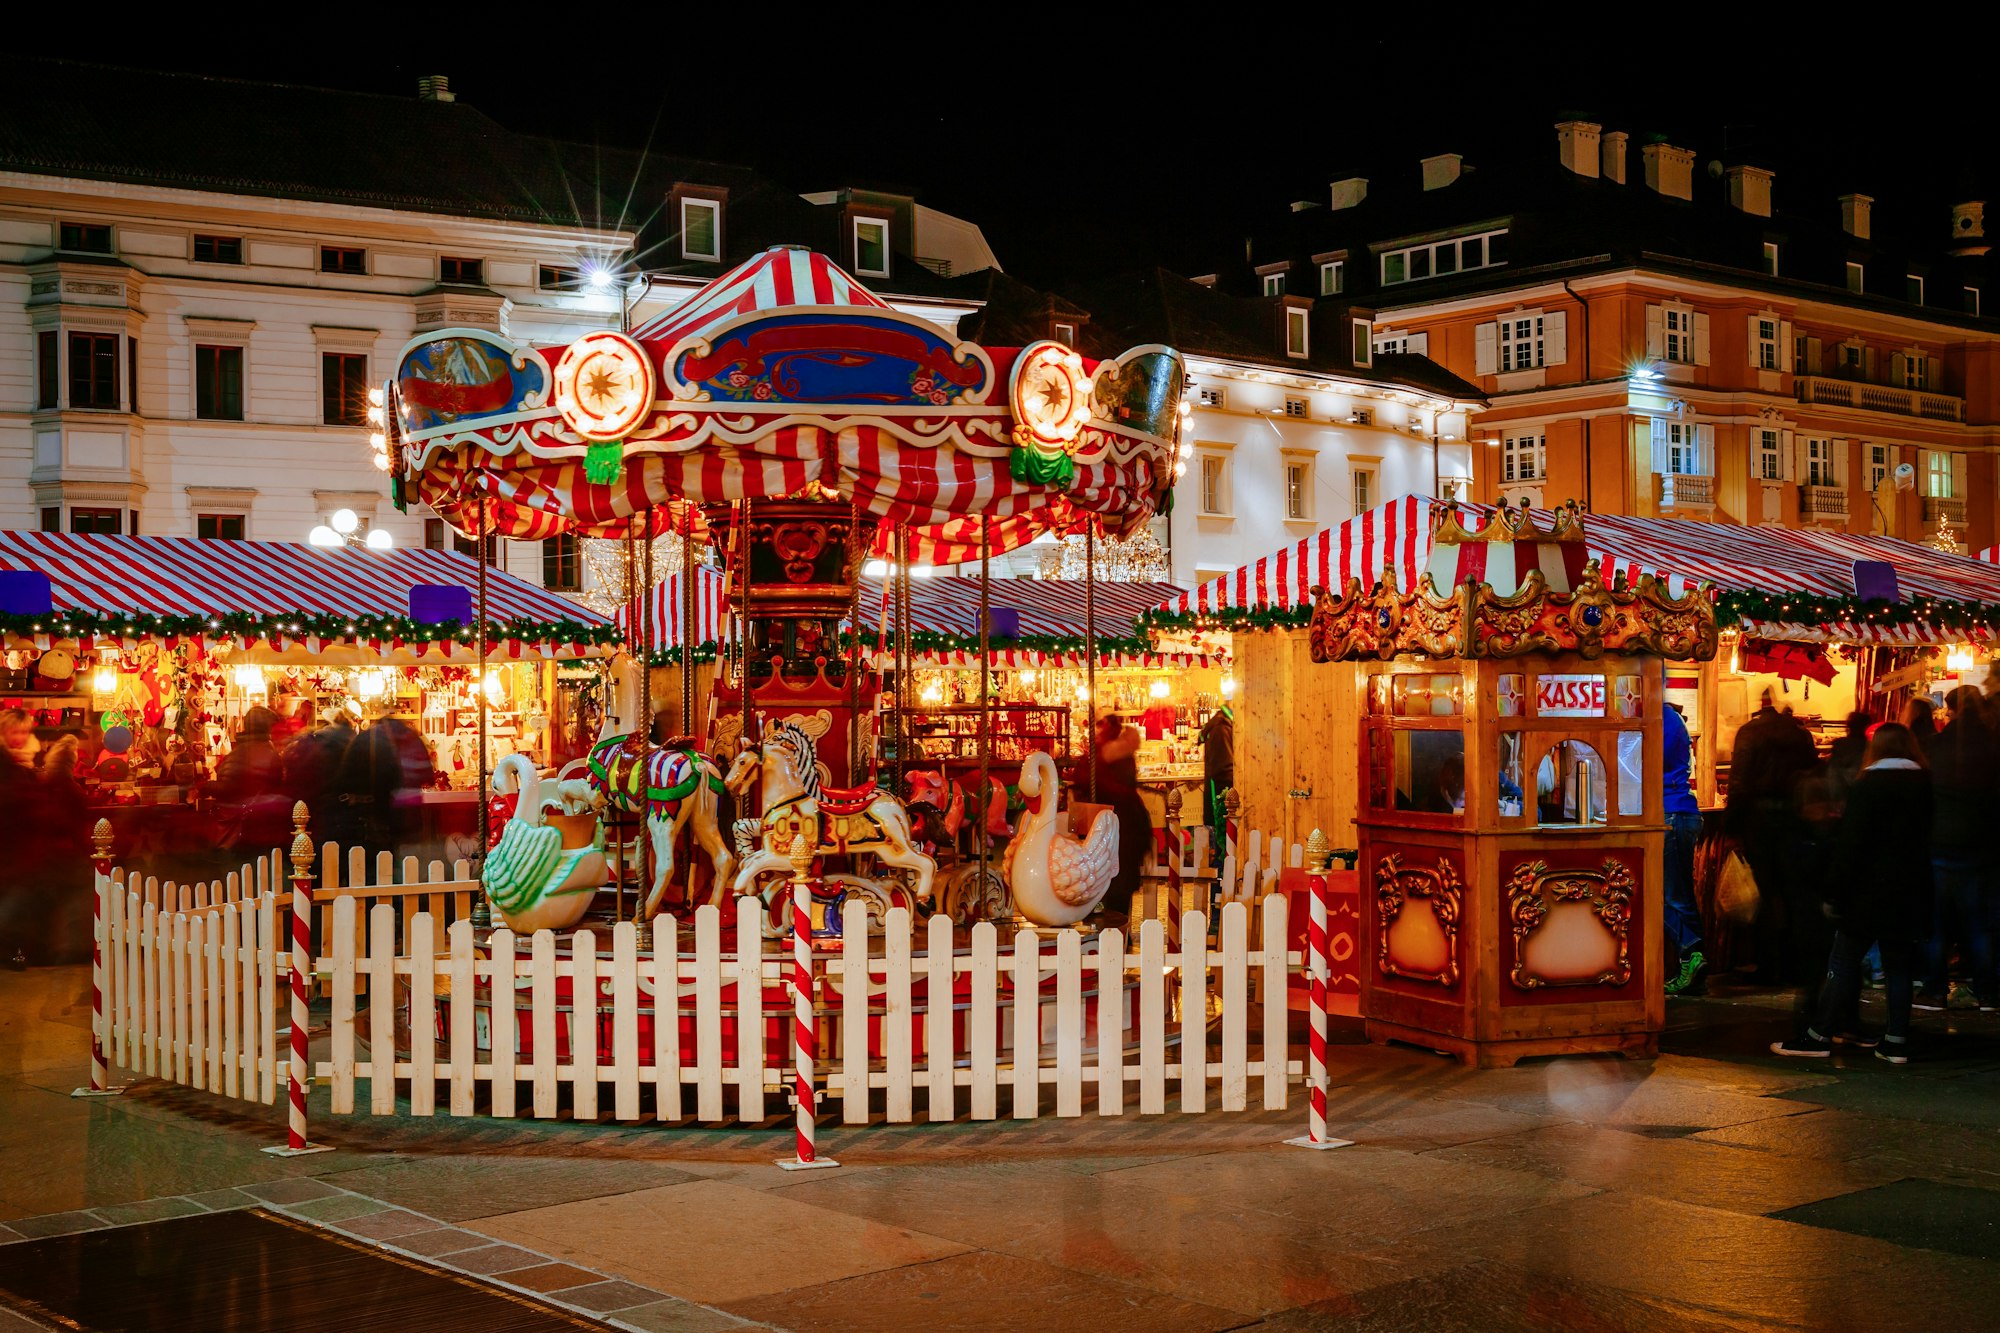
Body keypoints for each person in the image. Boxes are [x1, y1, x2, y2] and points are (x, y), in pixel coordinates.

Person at [1773, 723, 1931, 1062]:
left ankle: (1818, 1035)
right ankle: (1896, 1040)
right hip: (1908, 891)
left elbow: (1853, 846)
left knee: (1842, 961)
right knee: (1898, 967)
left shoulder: (1868, 785)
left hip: (1868, 892)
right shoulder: (1924, 783)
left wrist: (1834, 892)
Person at [1726, 688, 1818, 984]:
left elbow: (1738, 781)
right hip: (1795, 818)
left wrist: (1732, 826)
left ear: (1759, 707)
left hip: (1760, 819)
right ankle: (1797, 964)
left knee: (1766, 893)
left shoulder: (1749, 733)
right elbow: (1813, 771)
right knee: (1795, 893)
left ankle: (1768, 964)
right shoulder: (1799, 733)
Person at [1918, 685, 1996, 1013]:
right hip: (1981, 843)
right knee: (1980, 922)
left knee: (1936, 922)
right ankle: (1988, 993)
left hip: (1939, 841)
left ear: (1950, 709)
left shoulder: (1936, 746)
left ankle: (1934, 990)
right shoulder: (1992, 744)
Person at [1083, 715, 1152, 919]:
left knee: (1107, 889)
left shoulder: (1099, 764)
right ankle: (1120, 932)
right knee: (1118, 894)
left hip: (1110, 838)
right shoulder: (1124, 791)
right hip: (1121, 838)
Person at [1661, 703, 1707, 996]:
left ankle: (1691, 952)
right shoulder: (1671, 717)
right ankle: (1694, 962)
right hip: (1678, 812)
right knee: (1680, 896)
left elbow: (1647, 762)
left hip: (1672, 813)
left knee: (1666, 896)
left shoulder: (1662, 718)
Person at [213, 706, 291, 854]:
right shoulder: (262, 750)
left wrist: (205, 787)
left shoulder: (244, 751)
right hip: (254, 827)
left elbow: (227, 786)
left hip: (247, 826)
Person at [1199, 704, 1233, 847]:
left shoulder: (1223, 724)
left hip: (1223, 801)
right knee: (1222, 847)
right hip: (1221, 803)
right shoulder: (1221, 728)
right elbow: (1223, 769)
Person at [1825, 711, 1872, 811]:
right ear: (1866, 726)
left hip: (1840, 793)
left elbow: (1833, 774)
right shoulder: (1870, 747)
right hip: (1862, 793)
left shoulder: (1839, 745)